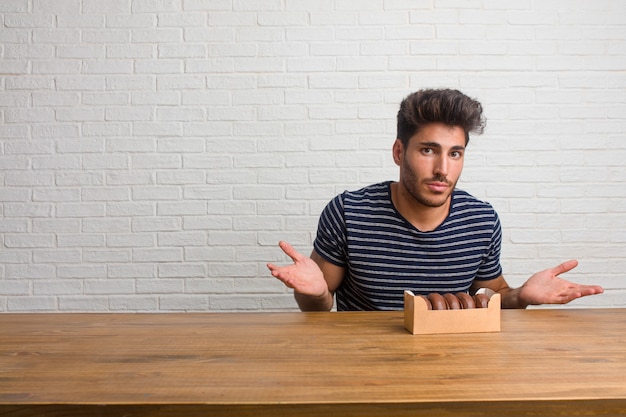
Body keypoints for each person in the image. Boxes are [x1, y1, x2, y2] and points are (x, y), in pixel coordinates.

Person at [267, 88, 604, 311]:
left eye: (455, 153)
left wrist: (520, 296)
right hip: (364, 369)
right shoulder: (348, 213)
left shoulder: (481, 220)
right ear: (400, 152)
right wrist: (313, 293)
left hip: (452, 367)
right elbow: (319, 305)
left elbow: (491, 295)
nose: (443, 169)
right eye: (428, 150)